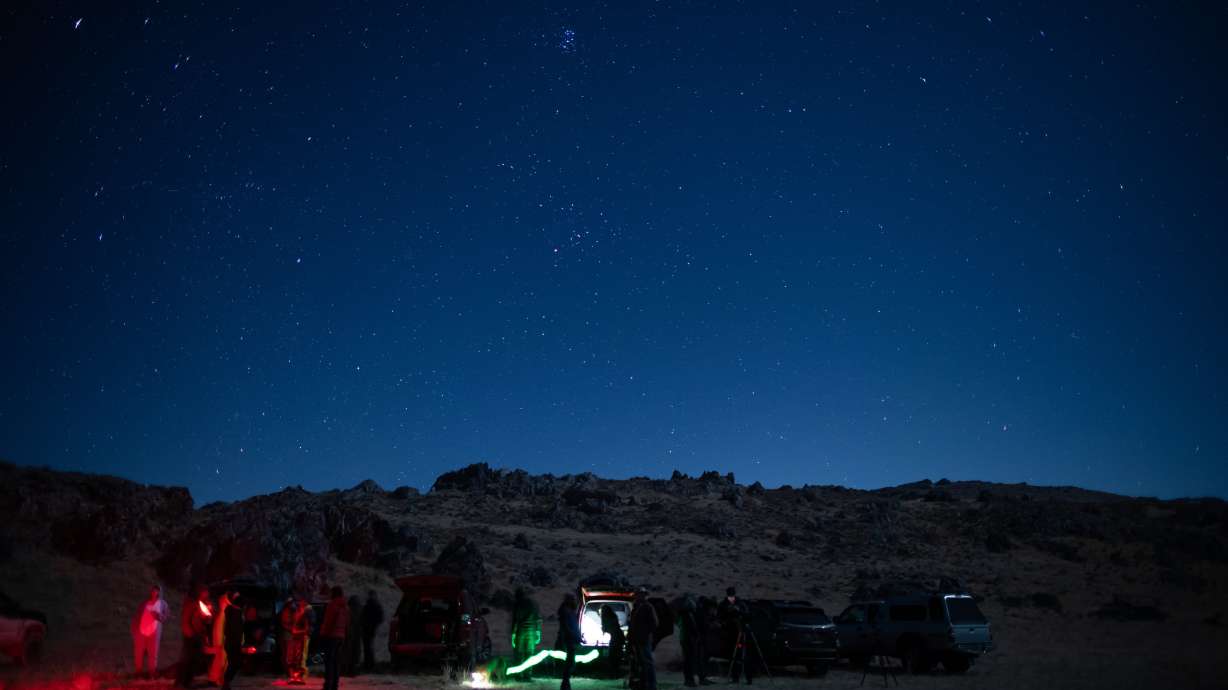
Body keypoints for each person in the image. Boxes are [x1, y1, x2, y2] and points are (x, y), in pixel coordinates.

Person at [175, 585, 212, 688]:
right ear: (200, 593)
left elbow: (207, 621)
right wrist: (189, 633)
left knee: (195, 660)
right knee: (186, 659)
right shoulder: (191, 604)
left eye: (207, 592)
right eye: (204, 592)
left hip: (199, 636)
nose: (207, 594)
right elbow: (186, 620)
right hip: (191, 637)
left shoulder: (205, 604)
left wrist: (208, 617)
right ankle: (180, 682)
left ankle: (188, 681)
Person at [718, 588, 753, 685]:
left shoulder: (741, 603)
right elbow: (720, 618)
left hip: (742, 632)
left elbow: (748, 616)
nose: (731, 598)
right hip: (730, 634)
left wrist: (739, 611)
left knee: (745, 656)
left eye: (732, 596)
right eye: (730, 596)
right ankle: (735, 678)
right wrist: (727, 616)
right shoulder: (722, 604)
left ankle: (748, 678)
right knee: (732, 657)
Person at [133, 585, 169, 678]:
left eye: (156, 591)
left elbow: (166, 616)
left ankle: (152, 673)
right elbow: (137, 615)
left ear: (159, 592)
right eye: (153, 591)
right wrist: (134, 629)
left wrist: (159, 616)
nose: (154, 593)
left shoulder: (163, 604)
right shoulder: (145, 603)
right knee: (139, 653)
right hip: (141, 631)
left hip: (154, 632)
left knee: (153, 653)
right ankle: (138, 672)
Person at [320, 586, 351, 690]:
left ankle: (327, 685)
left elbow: (328, 621)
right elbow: (347, 623)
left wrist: (323, 633)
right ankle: (335, 685)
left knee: (329, 662)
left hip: (331, 636)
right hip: (341, 636)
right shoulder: (345, 607)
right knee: (337, 662)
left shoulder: (332, 605)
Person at [628, 589, 658, 690]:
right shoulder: (636, 607)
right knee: (641, 663)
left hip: (644, 640)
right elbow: (632, 624)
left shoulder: (648, 607)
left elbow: (654, 624)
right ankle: (643, 684)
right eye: (637, 595)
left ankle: (651, 685)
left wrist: (645, 633)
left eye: (640, 595)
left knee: (648, 662)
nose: (637, 596)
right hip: (636, 640)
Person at [510, 588, 542, 680]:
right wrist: (538, 632)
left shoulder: (517, 604)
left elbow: (515, 621)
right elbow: (538, 619)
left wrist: (513, 634)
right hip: (531, 631)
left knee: (519, 654)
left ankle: (519, 675)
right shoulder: (533, 604)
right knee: (529, 654)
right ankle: (527, 675)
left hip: (520, 631)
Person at [555, 593, 582, 690]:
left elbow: (571, 626)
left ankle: (565, 683)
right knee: (570, 662)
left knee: (570, 661)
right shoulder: (566, 611)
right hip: (569, 639)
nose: (574, 601)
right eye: (572, 599)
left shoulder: (568, 611)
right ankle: (565, 683)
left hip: (570, 638)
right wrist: (575, 636)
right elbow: (567, 627)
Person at [220, 592, 244, 690]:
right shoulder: (235, 614)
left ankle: (226, 682)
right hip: (233, 642)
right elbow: (236, 630)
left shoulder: (231, 611)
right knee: (235, 663)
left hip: (231, 642)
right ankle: (226, 682)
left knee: (234, 663)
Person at [207, 592, 231, 686]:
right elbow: (218, 629)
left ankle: (218, 678)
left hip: (223, 640)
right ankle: (214, 679)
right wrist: (219, 642)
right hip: (220, 641)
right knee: (220, 660)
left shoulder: (225, 614)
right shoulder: (222, 614)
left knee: (223, 660)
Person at [677, 596, 700, 687]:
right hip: (689, 640)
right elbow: (693, 629)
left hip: (684, 639)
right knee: (689, 661)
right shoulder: (688, 616)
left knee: (687, 660)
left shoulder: (682, 615)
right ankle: (689, 680)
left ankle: (688, 679)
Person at [361, 590, 384, 672]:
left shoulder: (368, 605)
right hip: (370, 628)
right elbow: (380, 617)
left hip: (368, 628)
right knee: (368, 646)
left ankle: (369, 664)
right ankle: (369, 663)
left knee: (368, 647)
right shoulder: (375, 605)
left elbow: (363, 616)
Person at [600, 604, 625, 679]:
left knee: (613, 655)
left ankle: (613, 673)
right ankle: (616, 671)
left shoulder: (606, 617)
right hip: (619, 636)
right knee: (616, 655)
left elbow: (606, 629)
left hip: (616, 637)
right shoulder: (613, 616)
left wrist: (603, 629)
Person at [341, 595, 363, 676]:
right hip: (357, 634)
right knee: (355, 653)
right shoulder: (360, 610)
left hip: (349, 634)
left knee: (347, 653)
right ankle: (353, 671)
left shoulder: (348, 610)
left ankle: (346, 670)